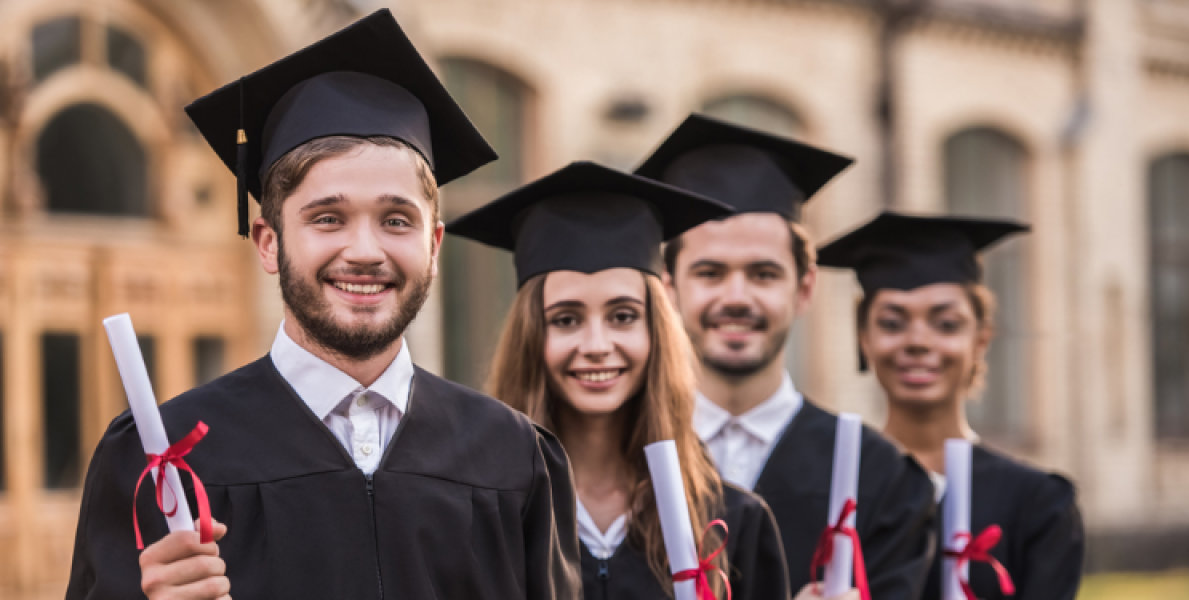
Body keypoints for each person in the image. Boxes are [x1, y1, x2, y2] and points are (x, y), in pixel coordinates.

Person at [66, 10, 579, 600]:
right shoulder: (163, 461)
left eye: (396, 220)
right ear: (268, 242)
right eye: (327, 218)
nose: (364, 251)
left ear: (433, 245)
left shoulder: (513, 460)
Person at [447, 161, 810, 600]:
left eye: (623, 316)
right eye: (566, 319)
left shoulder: (731, 523)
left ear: (655, 331)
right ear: (531, 337)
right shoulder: (480, 519)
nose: (597, 344)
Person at [636, 114, 937, 600]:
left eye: (763, 274)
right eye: (710, 273)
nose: (736, 297)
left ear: (805, 287)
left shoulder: (880, 478)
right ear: (669, 289)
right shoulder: (623, 465)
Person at [817, 211, 1084, 600]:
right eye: (892, 323)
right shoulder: (829, 494)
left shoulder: (1036, 505)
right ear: (864, 338)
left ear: (981, 340)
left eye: (946, 324)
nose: (918, 341)